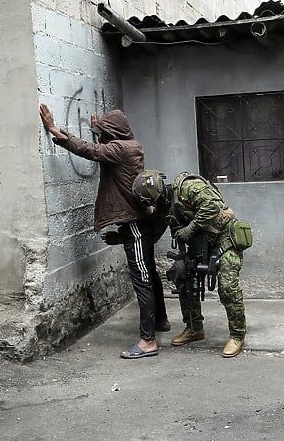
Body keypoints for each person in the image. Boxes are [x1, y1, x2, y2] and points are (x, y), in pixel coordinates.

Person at [39, 104, 169, 359]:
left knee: (142, 278)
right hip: (140, 220)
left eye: (104, 132)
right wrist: (99, 129)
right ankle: (161, 321)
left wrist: (54, 129)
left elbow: (90, 151)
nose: (102, 136)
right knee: (149, 272)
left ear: (113, 134)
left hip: (134, 222)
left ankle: (148, 341)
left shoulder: (119, 150)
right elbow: (107, 147)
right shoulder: (130, 145)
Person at [132, 170, 247, 358]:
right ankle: (194, 328)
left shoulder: (188, 186)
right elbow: (154, 234)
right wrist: (125, 238)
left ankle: (237, 334)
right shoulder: (166, 207)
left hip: (224, 240)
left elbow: (213, 206)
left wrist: (189, 229)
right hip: (199, 247)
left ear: (159, 194)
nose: (153, 207)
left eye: (152, 203)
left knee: (227, 286)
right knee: (182, 276)